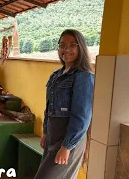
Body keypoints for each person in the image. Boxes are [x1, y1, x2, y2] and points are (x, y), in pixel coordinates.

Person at [34, 29, 94, 179]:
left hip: (69, 139)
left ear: (80, 47)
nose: (66, 49)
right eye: (62, 45)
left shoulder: (83, 77)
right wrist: (46, 131)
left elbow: (82, 116)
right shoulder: (56, 76)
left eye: (72, 45)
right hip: (53, 136)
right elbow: (49, 108)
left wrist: (67, 146)